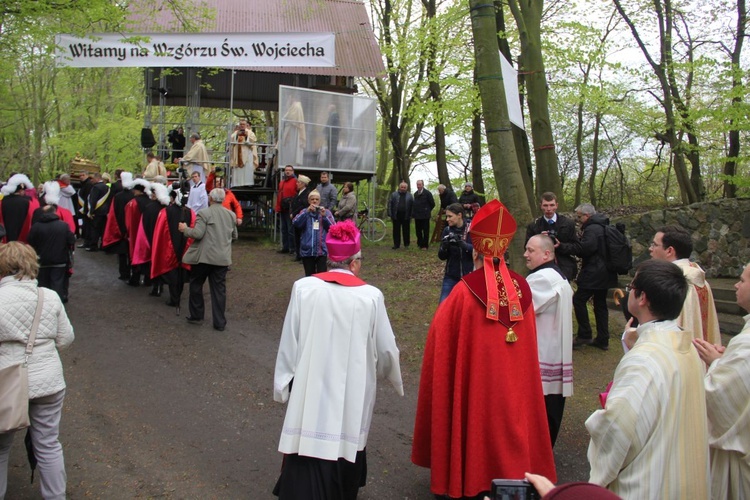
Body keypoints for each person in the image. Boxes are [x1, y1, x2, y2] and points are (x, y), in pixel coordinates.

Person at [412, 200, 557, 499]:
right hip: (515, 390)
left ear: (475, 248)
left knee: (475, 421)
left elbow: (439, 350)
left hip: (476, 391)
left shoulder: (463, 293)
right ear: (504, 248)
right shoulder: (524, 289)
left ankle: (468, 476)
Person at [273, 220, 403, 500]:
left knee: (308, 437)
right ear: (355, 263)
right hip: (351, 392)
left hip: (310, 387)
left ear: (329, 260)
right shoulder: (371, 297)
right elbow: (387, 350)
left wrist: (283, 383)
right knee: (346, 441)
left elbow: (289, 342)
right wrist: (390, 375)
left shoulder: (303, 288)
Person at [586, 259, 709, 498]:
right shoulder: (684, 344)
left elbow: (618, 430)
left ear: (642, 298)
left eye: (632, 286)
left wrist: (595, 424)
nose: (629, 290)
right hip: (680, 473)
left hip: (648, 484)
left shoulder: (643, 359)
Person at [0, 241, 75, 500]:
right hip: (48, 380)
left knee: (1, 447)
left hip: (6, 381)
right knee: (48, 444)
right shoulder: (49, 296)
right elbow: (65, 338)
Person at [693, 263, 750, 499]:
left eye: (743, 280)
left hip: (737, 459)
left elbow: (720, 395)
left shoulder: (746, 345)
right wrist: (726, 360)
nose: (736, 285)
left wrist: (716, 363)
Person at [524, 234, 574, 447]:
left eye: (530, 250)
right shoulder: (556, 275)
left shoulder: (542, 279)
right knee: (550, 410)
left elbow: (518, 308)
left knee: (540, 412)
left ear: (547, 253)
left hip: (543, 354)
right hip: (554, 352)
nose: (525, 254)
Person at [649, 225, 721, 345]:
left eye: (655, 245)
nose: (650, 249)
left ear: (669, 251)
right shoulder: (700, 278)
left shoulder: (671, 282)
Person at [178, 188, 238, 331]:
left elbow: (197, 234)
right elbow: (234, 236)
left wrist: (185, 229)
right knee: (219, 291)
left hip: (204, 258)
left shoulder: (204, 213)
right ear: (223, 199)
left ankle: (197, 315)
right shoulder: (231, 215)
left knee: (196, 284)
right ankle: (219, 322)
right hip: (222, 258)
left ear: (210, 198)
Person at [561, 203, 617, 350]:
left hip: (594, 272)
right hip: (605, 272)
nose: (578, 219)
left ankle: (585, 334)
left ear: (587, 215)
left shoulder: (592, 229)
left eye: (579, 216)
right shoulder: (602, 225)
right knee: (600, 304)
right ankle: (603, 339)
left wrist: (564, 247)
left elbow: (585, 249)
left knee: (579, 300)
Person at [151, 187, 195, 309]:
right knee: (181, 273)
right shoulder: (190, 212)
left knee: (173, 273)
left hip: (170, 247)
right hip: (184, 246)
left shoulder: (166, 211)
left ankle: (174, 298)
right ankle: (177, 296)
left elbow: (160, 232)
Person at [28, 204, 76, 303]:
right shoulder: (63, 225)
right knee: (57, 283)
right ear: (54, 212)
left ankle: (44, 303)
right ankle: (57, 304)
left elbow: (30, 242)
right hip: (60, 260)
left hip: (41, 260)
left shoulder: (36, 226)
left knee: (43, 283)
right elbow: (71, 240)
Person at [525, 192, 578, 281]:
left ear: (556, 205)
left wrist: (560, 245)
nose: (549, 209)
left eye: (551, 205)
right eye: (545, 205)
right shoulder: (534, 225)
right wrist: (539, 240)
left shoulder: (568, 224)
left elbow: (577, 247)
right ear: (541, 206)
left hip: (564, 268)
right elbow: (527, 247)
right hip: (540, 269)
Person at [293, 190, 335, 276]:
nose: (314, 201)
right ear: (309, 201)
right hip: (307, 250)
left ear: (319, 201)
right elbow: (296, 223)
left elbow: (333, 228)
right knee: (309, 276)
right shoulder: (304, 211)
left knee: (322, 277)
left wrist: (324, 217)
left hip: (322, 250)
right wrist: (306, 212)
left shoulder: (326, 212)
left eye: (316, 199)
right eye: (312, 199)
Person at [437, 203, 473, 303]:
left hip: (470, 275)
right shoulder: (447, 230)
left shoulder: (472, 228)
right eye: (446, 216)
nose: (447, 219)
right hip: (451, 275)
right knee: (443, 306)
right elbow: (441, 257)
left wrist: (464, 245)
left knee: (467, 307)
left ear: (459, 215)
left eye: (450, 216)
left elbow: (479, 251)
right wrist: (444, 247)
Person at [102, 172, 135, 282]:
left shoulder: (117, 197)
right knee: (131, 251)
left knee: (122, 253)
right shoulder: (134, 196)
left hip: (120, 225)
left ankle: (123, 273)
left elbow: (113, 213)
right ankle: (132, 271)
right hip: (132, 227)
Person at [0, 174, 38, 243]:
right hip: (22, 239)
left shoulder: (2, 201)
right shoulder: (29, 202)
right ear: (21, 191)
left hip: (5, 237)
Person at [85, 172, 111, 251]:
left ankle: (93, 245)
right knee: (103, 229)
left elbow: (93, 200)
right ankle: (103, 245)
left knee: (95, 229)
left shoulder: (96, 187)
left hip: (97, 211)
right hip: (105, 211)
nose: (91, 181)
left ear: (97, 178)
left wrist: (91, 212)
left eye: (92, 178)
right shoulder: (107, 187)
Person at [275, 165, 298, 255]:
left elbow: (297, 195)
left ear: (293, 171)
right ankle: (285, 247)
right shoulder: (282, 182)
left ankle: (292, 248)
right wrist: (277, 207)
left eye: (289, 170)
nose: (287, 172)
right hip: (282, 208)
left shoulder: (295, 182)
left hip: (290, 209)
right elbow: (279, 196)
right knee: (283, 229)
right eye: (286, 170)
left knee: (290, 229)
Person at [229, 119, 258, 187]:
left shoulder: (250, 133)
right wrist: (236, 136)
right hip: (238, 154)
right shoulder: (236, 133)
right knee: (238, 170)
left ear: (246, 125)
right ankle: (237, 184)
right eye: (241, 124)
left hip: (247, 154)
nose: (242, 126)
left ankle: (248, 183)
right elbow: (232, 139)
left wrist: (247, 136)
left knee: (247, 169)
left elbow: (253, 141)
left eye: (243, 124)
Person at [291, 175, 312, 262]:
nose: (297, 184)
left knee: (302, 237)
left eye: (299, 182)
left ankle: (303, 255)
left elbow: (303, 206)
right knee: (296, 235)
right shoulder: (298, 193)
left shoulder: (307, 194)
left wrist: (294, 213)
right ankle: (298, 254)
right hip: (296, 216)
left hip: (302, 217)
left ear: (303, 184)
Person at [387, 182, 413, 250]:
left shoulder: (410, 195)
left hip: (406, 215)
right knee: (396, 231)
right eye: (402, 187)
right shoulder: (394, 194)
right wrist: (390, 213)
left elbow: (412, 206)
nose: (403, 189)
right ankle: (396, 244)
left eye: (404, 187)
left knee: (406, 231)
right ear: (399, 187)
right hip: (396, 215)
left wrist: (411, 215)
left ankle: (406, 244)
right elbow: (390, 204)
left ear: (406, 188)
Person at [282, 97, 306, 165]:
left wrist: (285, 118)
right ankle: (290, 161)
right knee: (290, 147)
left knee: (295, 147)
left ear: (292, 98)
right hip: (291, 130)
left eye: (289, 98)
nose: (288, 100)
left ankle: (295, 162)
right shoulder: (292, 107)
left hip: (295, 130)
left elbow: (291, 117)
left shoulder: (297, 106)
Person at [412, 180, 435, 250]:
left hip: (425, 216)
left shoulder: (427, 193)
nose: (418, 186)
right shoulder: (415, 194)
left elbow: (432, 204)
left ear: (423, 185)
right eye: (417, 185)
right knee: (418, 231)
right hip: (417, 215)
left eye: (420, 185)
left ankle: (425, 245)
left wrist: (427, 210)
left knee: (425, 231)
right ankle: (420, 243)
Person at [325, 103, 340, 168]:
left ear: (331, 109)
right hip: (331, 136)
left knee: (332, 151)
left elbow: (335, 126)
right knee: (330, 151)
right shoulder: (332, 115)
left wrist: (327, 130)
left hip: (333, 137)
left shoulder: (334, 115)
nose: (327, 109)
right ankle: (330, 164)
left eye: (329, 108)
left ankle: (332, 165)